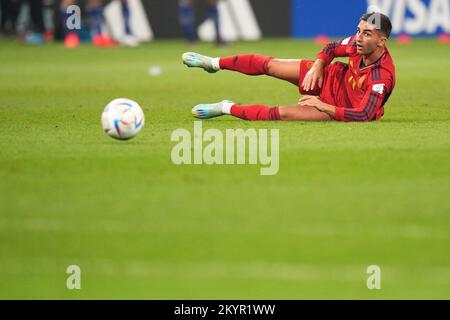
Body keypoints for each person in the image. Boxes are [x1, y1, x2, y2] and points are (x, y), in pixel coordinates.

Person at [182, 12, 396, 122]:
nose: (358, 38)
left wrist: (323, 106)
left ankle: (225, 107)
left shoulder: (381, 77)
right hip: (330, 78)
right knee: (271, 65)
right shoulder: (356, 44)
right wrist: (318, 66)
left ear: (381, 42)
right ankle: (213, 63)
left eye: (366, 34)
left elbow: (362, 115)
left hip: (337, 110)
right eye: (358, 30)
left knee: (281, 114)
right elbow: (331, 47)